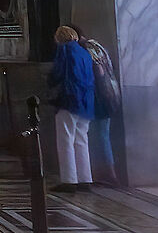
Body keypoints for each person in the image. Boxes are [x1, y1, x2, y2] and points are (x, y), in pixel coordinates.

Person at [50, 25, 95, 188]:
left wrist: (50, 83)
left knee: (65, 139)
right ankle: (85, 178)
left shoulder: (64, 50)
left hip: (69, 98)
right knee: (81, 139)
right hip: (86, 100)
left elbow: (58, 73)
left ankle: (69, 180)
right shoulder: (84, 53)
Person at [84, 36, 122, 186]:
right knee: (102, 135)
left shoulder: (87, 50)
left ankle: (107, 174)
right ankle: (107, 173)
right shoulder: (98, 47)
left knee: (99, 136)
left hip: (98, 98)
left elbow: (98, 73)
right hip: (109, 96)